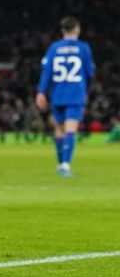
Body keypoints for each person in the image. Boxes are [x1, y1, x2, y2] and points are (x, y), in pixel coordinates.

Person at [35, 16, 95, 177]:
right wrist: (86, 90)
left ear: (63, 31)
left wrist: (41, 92)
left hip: (58, 94)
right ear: (77, 30)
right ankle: (65, 165)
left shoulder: (54, 48)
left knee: (59, 129)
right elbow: (89, 73)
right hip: (75, 93)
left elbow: (46, 72)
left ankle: (61, 163)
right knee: (70, 130)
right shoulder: (83, 48)